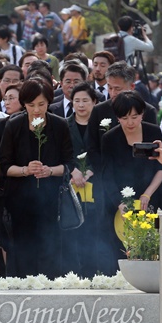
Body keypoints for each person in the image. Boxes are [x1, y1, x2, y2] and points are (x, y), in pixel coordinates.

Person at [0, 77, 74, 279]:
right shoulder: (13, 125)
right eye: (31, 105)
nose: (37, 110)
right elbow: (3, 166)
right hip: (19, 201)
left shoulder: (59, 125)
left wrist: (49, 171)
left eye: (42, 104)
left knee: (49, 248)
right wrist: (25, 170)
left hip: (51, 200)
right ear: (24, 104)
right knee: (21, 250)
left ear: (49, 102)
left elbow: (69, 164)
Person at [101, 90, 162, 272]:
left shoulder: (153, 131)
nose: (130, 122)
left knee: (152, 247)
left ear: (142, 114)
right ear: (117, 117)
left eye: (135, 117)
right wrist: (120, 203)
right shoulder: (110, 138)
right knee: (122, 249)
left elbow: (161, 167)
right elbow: (107, 175)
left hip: (152, 196)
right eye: (124, 118)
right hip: (121, 204)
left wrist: (147, 194)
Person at [67, 82, 99, 277]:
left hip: (96, 185)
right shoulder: (63, 124)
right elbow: (61, 152)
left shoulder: (102, 125)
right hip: (71, 184)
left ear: (94, 102)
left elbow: (104, 152)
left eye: (85, 101)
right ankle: (74, 274)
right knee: (73, 230)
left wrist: (90, 171)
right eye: (76, 101)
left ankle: (94, 273)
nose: (81, 105)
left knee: (94, 231)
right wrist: (73, 170)